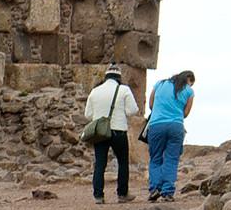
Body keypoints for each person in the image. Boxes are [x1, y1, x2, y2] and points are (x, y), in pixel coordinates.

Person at [84, 67, 139, 203]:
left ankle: (98, 196)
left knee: (100, 164)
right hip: (118, 130)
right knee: (122, 162)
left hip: (100, 132)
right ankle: (122, 194)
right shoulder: (124, 89)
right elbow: (132, 110)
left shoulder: (95, 91)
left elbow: (88, 115)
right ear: (119, 78)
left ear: (106, 77)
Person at [144, 69, 196, 202]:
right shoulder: (189, 91)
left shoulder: (159, 84)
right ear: (189, 79)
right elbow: (186, 113)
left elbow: (151, 104)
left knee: (155, 158)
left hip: (156, 125)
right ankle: (167, 192)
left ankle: (155, 188)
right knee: (171, 159)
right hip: (176, 126)